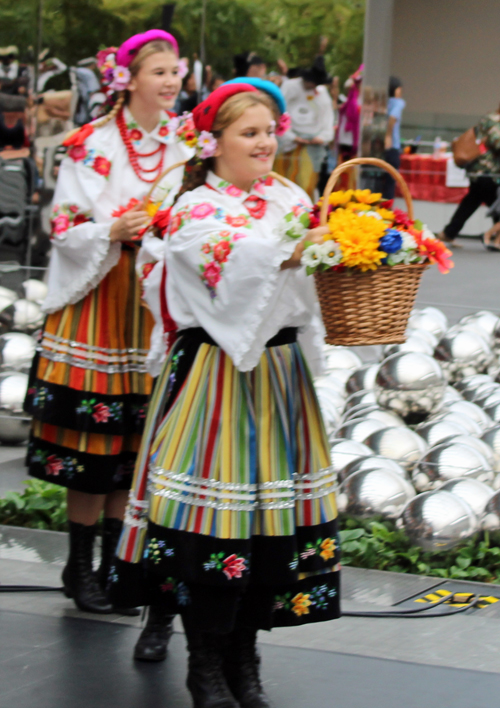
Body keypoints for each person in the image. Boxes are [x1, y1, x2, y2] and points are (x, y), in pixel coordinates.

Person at [109, 82, 340, 708]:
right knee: (213, 525)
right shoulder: (194, 211)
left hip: (279, 379)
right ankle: (204, 667)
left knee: (265, 530)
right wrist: (303, 249)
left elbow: (302, 273)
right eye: (249, 133)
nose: (266, 142)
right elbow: (236, 261)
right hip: (217, 379)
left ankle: (246, 661)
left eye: (269, 130)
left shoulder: (290, 196)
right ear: (212, 145)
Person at [25, 30, 193, 641]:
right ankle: (78, 566)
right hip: (102, 296)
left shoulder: (185, 141)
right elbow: (63, 223)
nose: (171, 81)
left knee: (133, 443)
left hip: (153, 297)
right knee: (92, 442)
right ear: (127, 80)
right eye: (158, 72)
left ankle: (113, 569)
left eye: (175, 71)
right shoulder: (91, 143)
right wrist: (112, 227)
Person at [437, 110, 500, 248]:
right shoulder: (495, 121)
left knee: (472, 202)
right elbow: (497, 143)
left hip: (483, 172)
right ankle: (492, 237)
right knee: (495, 205)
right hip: (486, 171)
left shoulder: (490, 119)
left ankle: (449, 232)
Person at [276, 56, 334, 198]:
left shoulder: (322, 94)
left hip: (311, 145)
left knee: (306, 182)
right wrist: (291, 136)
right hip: (288, 143)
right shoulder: (290, 87)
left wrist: (322, 137)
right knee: (283, 181)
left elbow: (327, 118)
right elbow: (278, 112)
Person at [382, 75, 406, 199]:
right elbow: (393, 117)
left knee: (383, 180)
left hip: (382, 146)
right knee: (391, 180)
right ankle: (388, 207)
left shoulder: (385, 102)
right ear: (397, 90)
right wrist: (388, 136)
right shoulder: (399, 103)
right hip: (392, 146)